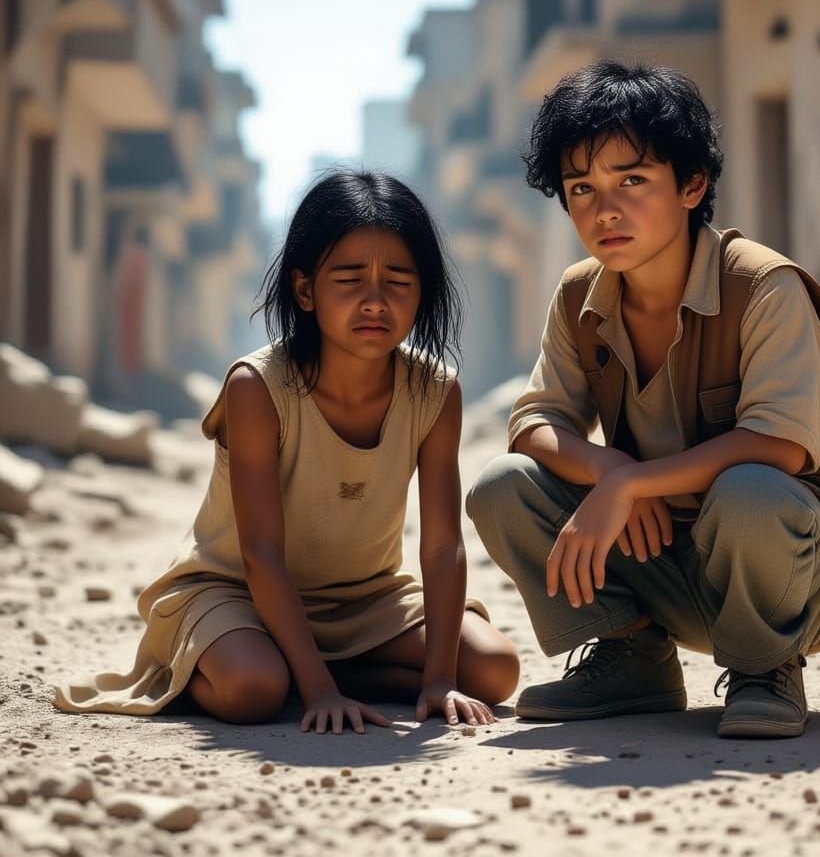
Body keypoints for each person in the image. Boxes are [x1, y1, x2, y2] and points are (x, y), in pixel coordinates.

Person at [466, 60, 820, 739]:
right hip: (668, 568)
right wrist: (611, 474)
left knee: (751, 489)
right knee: (504, 487)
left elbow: (782, 443)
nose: (604, 209)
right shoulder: (579, 294)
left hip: (791, 571)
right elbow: (534, 422)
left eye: (632, 181)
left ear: (692, 184)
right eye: (581, 187)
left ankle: (766, 669)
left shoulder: (764, 287)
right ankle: (632, 654)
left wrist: (636, 482)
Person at [56, 170, 519, 733]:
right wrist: (320, 692)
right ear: (306, 290)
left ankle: (318, 671)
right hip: (238, 592)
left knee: (494, 670)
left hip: (366, 600)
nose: (375, 301)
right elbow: (261, 555)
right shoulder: (258, 387)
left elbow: (444, 546)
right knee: (254, 691)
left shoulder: (435, 390)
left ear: (421, 292)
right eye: (349, 279)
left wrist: (441, 678)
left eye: (398, 281)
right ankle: (272, 672)